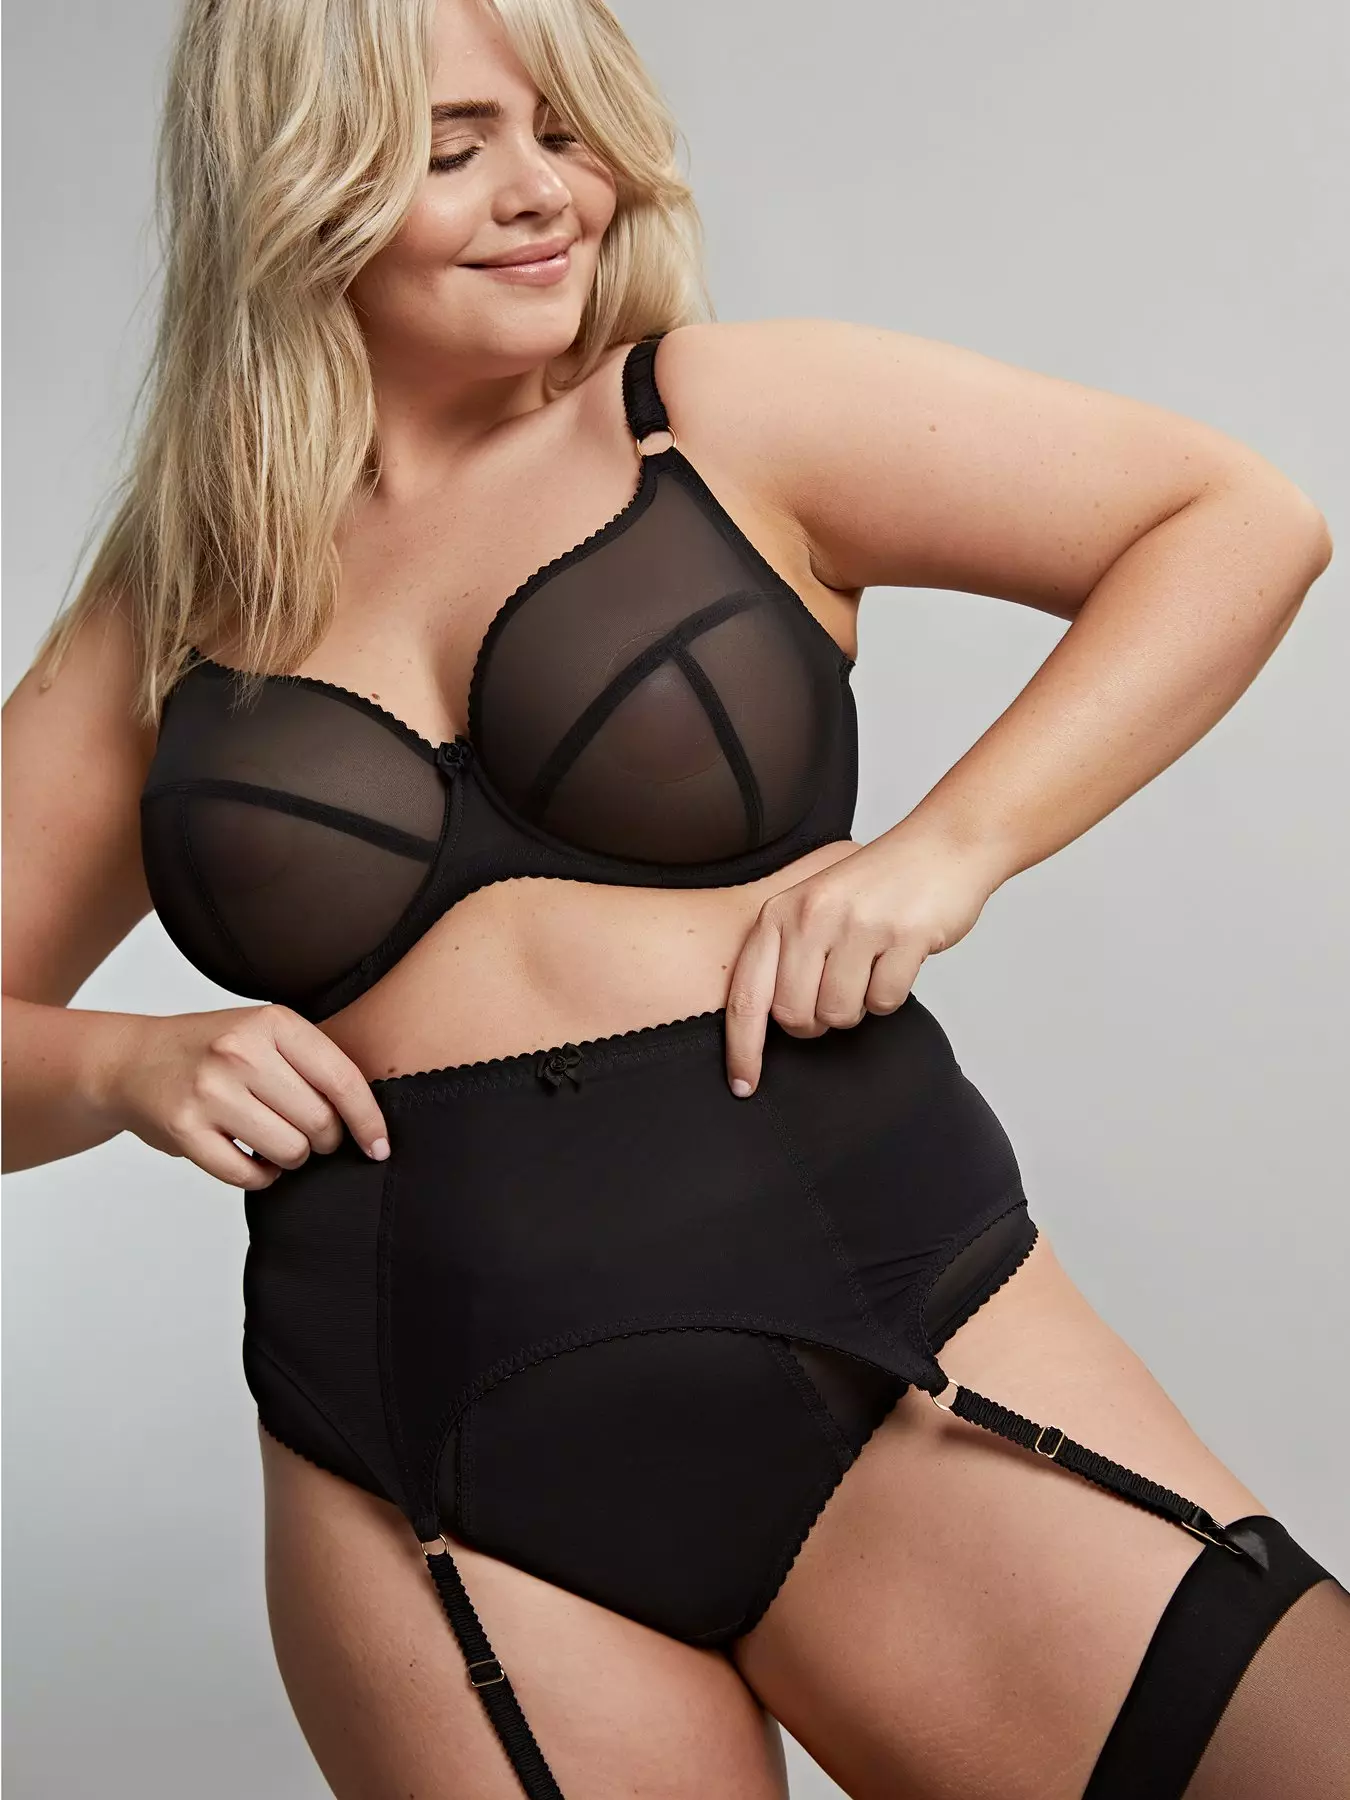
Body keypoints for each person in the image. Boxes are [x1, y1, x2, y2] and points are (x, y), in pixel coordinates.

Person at [4, 0, 1345, 1795]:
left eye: (565, 131)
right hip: (427, 1481)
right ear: (288, 187)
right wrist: (123, 1068)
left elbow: (1232, 521)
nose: (543, 192)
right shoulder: (176, 599)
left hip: (889, 1344)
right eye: (454, 147)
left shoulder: (713, 416)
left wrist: (947, 849)